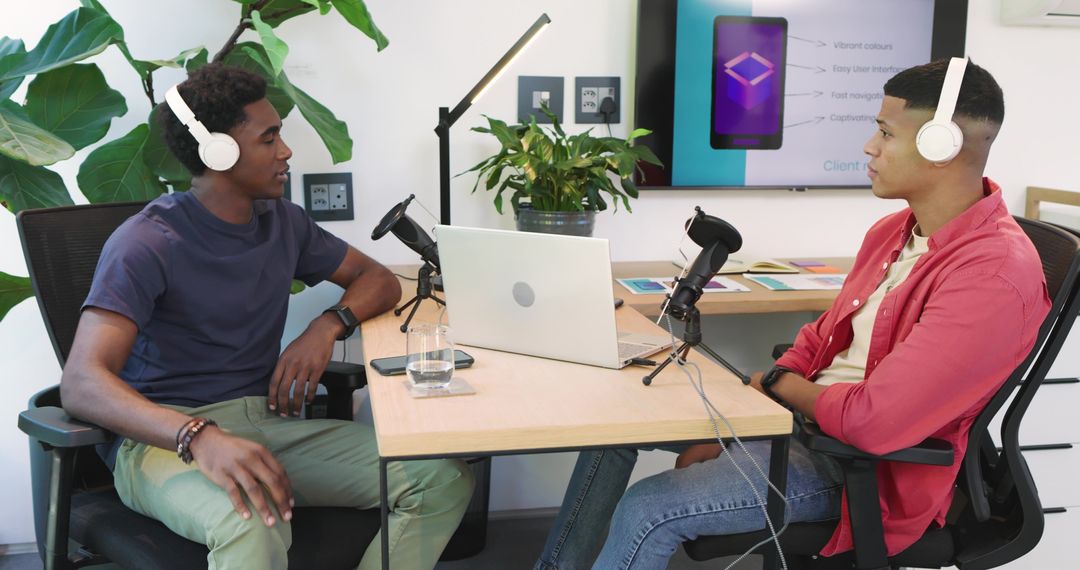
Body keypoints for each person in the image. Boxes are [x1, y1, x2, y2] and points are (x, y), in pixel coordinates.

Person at [534, 58, 1052, 570]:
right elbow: (818, 340)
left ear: (942, 146)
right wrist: (756, 408)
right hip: (803, 424)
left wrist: (777, 384)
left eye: (885, 133)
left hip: (860, 471)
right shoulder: (893, 233)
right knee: (615, 431)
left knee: (649, 509)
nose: (870, 147)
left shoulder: (993, 275)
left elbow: (872, 424)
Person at [61, 63, 474, 570]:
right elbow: (81, 383)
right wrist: (198, 435)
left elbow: (380, 280)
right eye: (269, 137)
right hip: (164, 444)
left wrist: (327, 326)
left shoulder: (284, 223)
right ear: (219, 151)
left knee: (441, 477)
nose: (286, 151)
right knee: (252, 520)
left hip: (267, 425)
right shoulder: (147, 242)